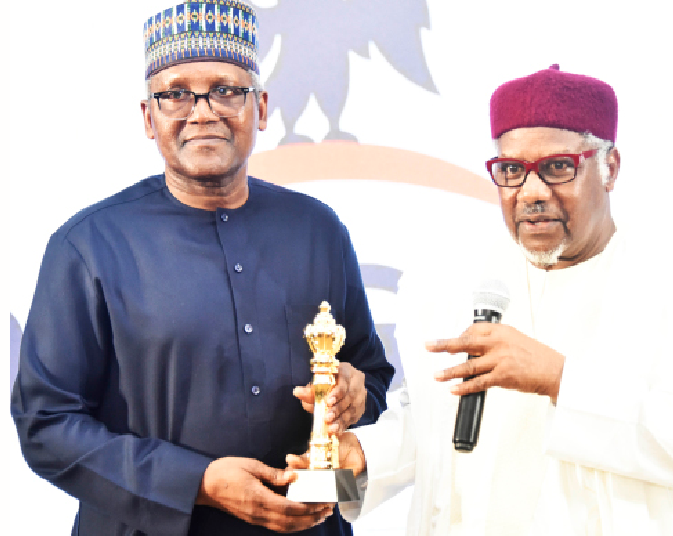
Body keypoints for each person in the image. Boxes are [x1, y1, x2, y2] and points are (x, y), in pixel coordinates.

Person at [288, 65, 673, 535]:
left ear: (609, 168)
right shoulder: (455, 276)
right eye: (511, 170)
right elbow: (436, 417)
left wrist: (557, 379)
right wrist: (361, 459)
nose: (531, 192)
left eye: (558, 167)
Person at [11, 2, 393, 535]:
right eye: (175, 94)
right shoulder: (88, 246)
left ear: (260, 108)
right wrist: (197, 482)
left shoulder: (317, 229)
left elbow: (370, 373)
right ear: (149, 117)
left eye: (225, 90)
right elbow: (45, 424)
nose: (203, 111)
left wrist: (354, 392)